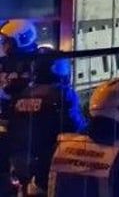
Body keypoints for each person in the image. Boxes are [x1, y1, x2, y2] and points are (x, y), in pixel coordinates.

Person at [7, 47, 85, 196]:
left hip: (21, 163)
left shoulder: (22, 95)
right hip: (50, 163)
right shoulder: (62, 94)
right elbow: (75, 127)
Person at [0, 20, 41, 196]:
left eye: (7, 41)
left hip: (27, 127)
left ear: (21, 40)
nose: (4, 45)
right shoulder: (5, 62)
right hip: (6, 122)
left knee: (25, 173)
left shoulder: (39, 62)